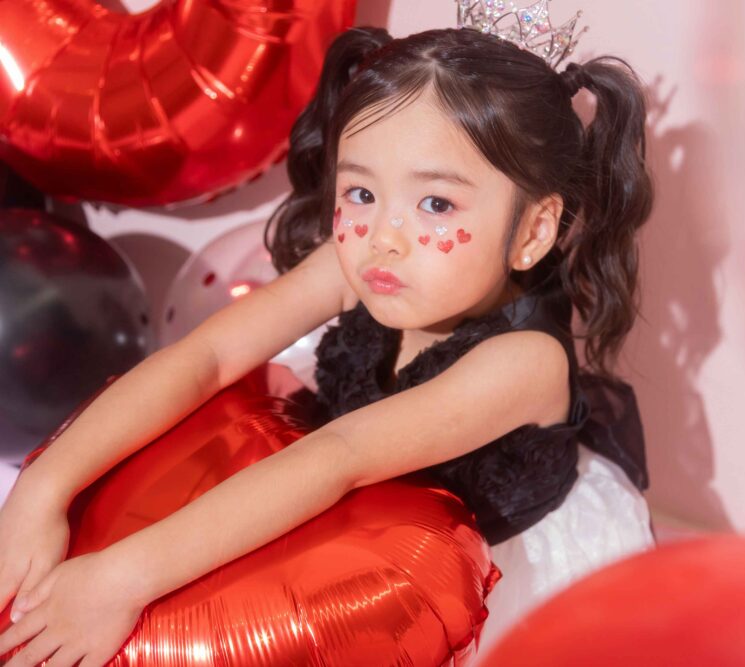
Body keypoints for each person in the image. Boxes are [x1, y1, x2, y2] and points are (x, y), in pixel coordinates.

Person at [0, 15, 655, 665]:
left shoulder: (523, 363)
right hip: (347, 521)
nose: (383, 237)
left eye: (436, 204)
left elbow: (340, 455)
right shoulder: (363, 265)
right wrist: (43, 488)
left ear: (533, 231)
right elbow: (208, 356)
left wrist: (122, 579)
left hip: (470, 573)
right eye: (362, 192)